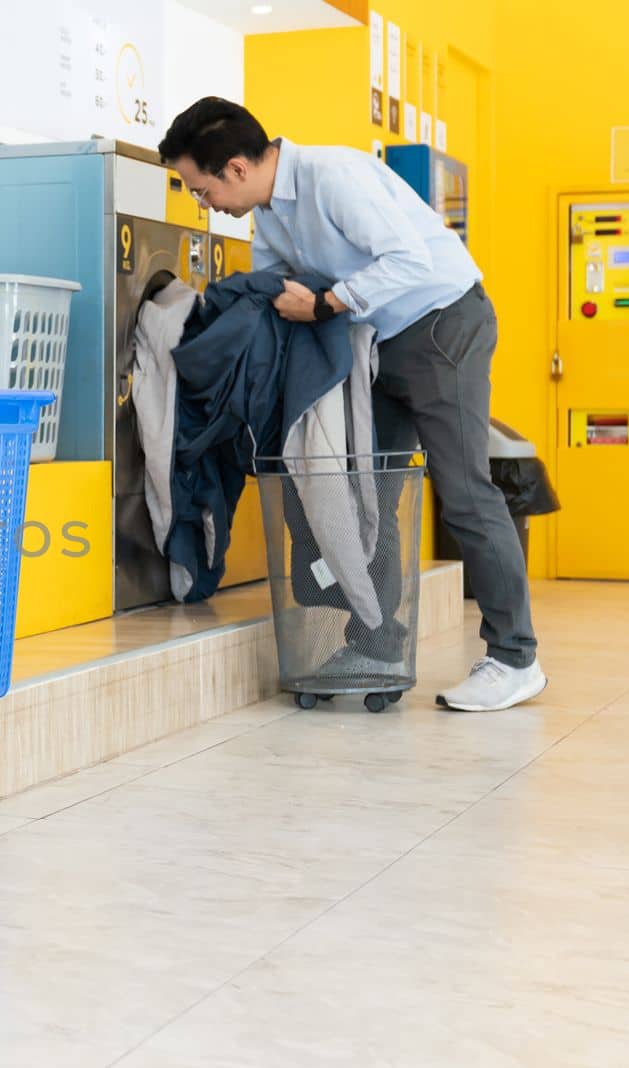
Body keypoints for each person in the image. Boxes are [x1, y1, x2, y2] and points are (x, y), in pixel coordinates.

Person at [158, 97, 546, 713]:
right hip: (380, 344)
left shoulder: (332, 177)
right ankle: (374, 641)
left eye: (198, 189)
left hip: (441, 322)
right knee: (367, 492)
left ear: (235, 168)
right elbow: (269, 294)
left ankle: (514, 657)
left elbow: (408, 261)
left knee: (465, 491)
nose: (201, 203)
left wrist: (327, 302)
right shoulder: (272, 215)